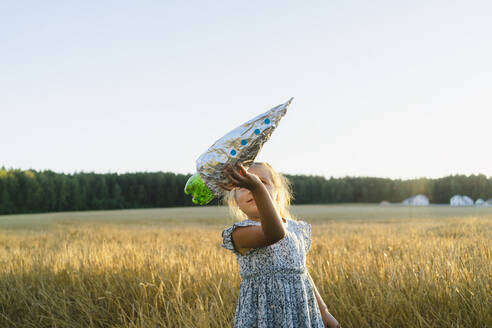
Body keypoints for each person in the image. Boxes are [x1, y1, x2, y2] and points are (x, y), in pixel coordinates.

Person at [218, 161, 340, 328]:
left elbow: (302, 273)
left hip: (300, 313)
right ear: (235, 199)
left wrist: (324, 313)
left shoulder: (296, 229)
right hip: (263, 317)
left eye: (263, 182)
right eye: (244, 185)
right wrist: (258, 189)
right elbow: (274, 233)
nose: (254, 187)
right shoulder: (239, 233)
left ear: (276, 192)